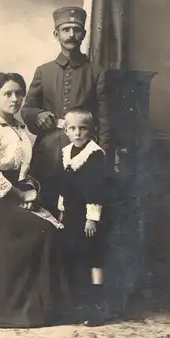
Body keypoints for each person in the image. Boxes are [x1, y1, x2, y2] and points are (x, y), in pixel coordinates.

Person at [0, 72, 68, 328]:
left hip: (13, 195)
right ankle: (11, 307)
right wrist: (21, 195)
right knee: (42, 230)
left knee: (53, 225)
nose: (15, 99)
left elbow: (22, 169)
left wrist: (29, 189)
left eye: (19, 93)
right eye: (7, 94)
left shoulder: (19, 127)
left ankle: (41, 306)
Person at [21, 6, 110, 217]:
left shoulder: (96, 72)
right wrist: (38, 116)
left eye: (76, 30)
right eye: (66, 29)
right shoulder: (44, 71)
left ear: (84, 35)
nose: (71, 35)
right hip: (49, 151)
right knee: (46, 206)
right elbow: (27, 110)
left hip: (83, 151)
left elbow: (105, 118)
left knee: (77, 211)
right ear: (56, 34)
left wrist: (103, 153)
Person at [57, 108, 107, 326]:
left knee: (92, 258)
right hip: (71, 214)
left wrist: (92, 218)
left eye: (82, 128)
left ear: (91, 130)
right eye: (72, 128)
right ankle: (76, 306)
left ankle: (96, 307)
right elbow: (64, 185)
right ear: (66, 130)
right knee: (74, 257)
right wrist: (61, 209)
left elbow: (96, 188)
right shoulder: (66, 151)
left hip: (88, 216)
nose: (77, 133)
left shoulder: (95, 154)